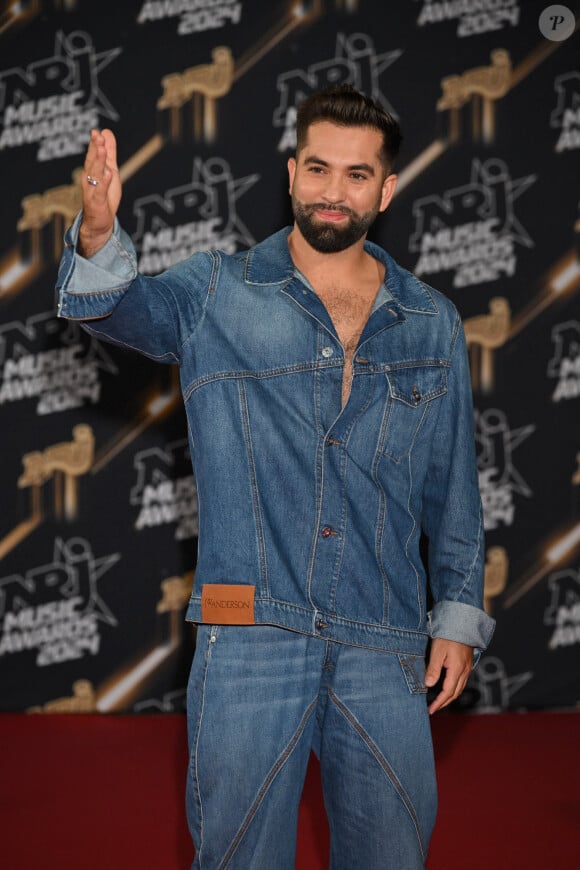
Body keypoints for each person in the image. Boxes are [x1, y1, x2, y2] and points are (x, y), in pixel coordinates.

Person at [56, 84, 495, 869]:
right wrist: (97, 232)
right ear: (291, 174)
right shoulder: (216, 290)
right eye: (318, 169)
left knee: (393, 854)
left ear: (386, 189)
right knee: (238, 858)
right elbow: (120, 308)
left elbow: (452, 481)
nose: (334, 192)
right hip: (250, 627)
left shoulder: (431, 319)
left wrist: (458, 614)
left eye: (357, 175)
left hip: (384, 634)